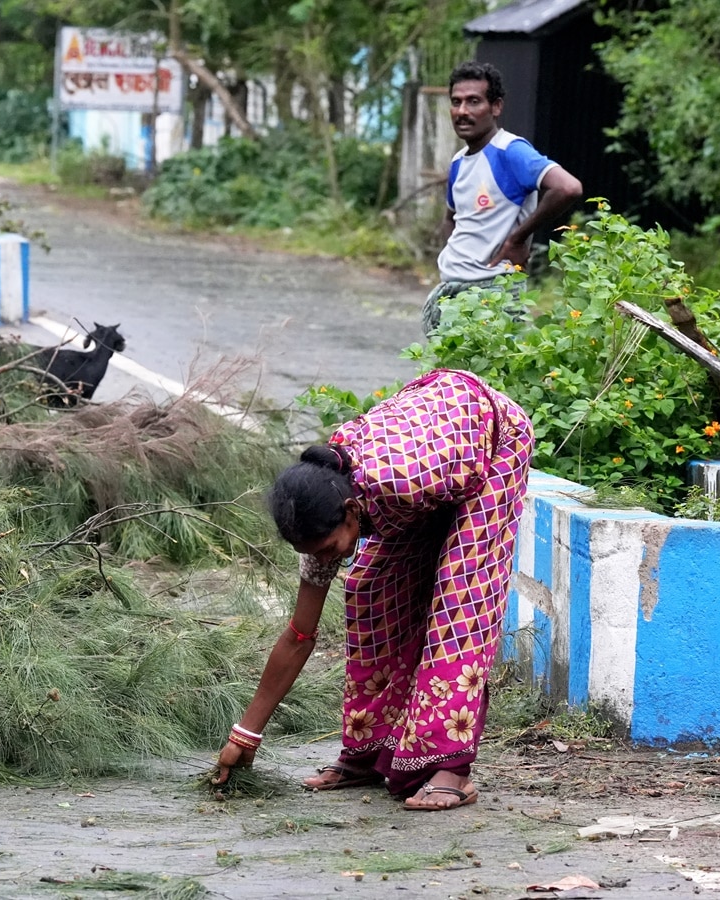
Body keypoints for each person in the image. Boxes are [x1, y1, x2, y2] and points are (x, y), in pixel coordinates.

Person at [214, 368, 532, 810]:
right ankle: (368, 753)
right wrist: (245, 735)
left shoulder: (405, 481)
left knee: (458, 605)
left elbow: (456, 510)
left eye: (329, 549)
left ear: (350, 512)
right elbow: (299, 635)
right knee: (368, 593)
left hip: (490, 443)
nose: (325, 559)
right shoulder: (324, 508)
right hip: (432, 460)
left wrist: (444, 563)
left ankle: (453, 771)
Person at [423, 61, 583, 334]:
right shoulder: (459, 162)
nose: (462, 111)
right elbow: (452, 217)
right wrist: (451, 256)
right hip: (451, 291)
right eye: (456, 102)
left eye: (474, 101)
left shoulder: (509, 151)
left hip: (494, 293)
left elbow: (568, 188)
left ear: (496, 107)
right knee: (455, 375)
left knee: (494, 373)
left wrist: (516, 239)